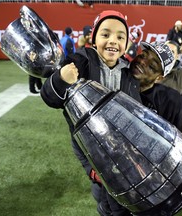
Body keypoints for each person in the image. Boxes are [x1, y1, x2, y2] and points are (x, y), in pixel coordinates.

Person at [41, 10, 139, 216]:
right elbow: (49, 96)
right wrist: (60, 79)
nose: (113, 41)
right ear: (94, 38)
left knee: (127, 200)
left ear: (127, 42)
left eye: (120, 37)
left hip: (122, 152)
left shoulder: (129, 72)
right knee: (105, 196)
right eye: (105, 34)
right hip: (91, 150)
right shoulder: (81, 61)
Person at [130, 41, 182, 131]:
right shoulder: (116, 77)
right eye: (143, 55)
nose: (143, 62)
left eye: (151, 66)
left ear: (159, 78)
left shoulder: (170, 101)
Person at [157, 40, 182, 138]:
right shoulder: (148, 71)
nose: (168, 54)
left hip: (171, 130)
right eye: (165, 51)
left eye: (172, 52)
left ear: (177, 56)